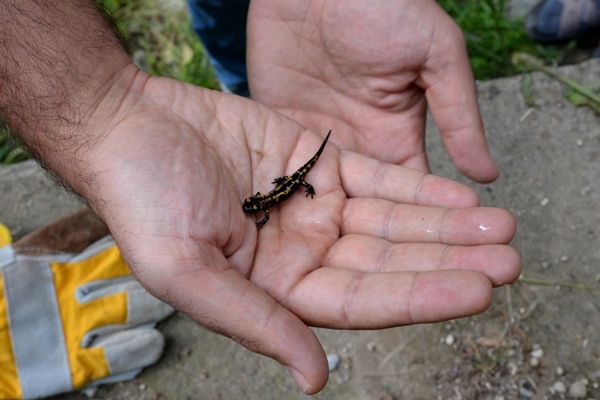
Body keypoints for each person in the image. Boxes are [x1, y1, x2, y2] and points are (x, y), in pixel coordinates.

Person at [0, 0, 521, 395]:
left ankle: (241, 78)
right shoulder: (265, 202)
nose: (254, 211)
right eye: (255, 208)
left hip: (294, 175)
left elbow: (280, 195)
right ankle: (235, 72)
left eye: (255, 208)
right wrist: (100, 105)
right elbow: (269, 202)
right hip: (286, 174)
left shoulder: (273, 198)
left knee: (306, 168)